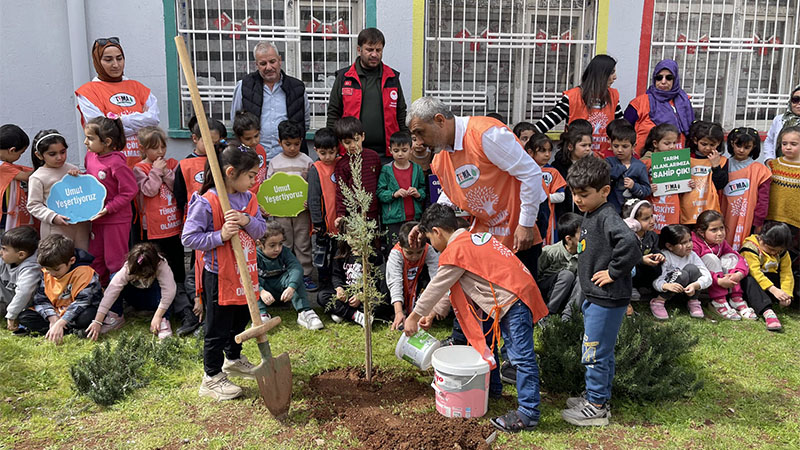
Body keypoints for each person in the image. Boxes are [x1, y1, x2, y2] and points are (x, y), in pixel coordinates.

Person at [403, 204, 548, 433]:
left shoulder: (456, 250)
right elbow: (452, 285)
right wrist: (432, 313)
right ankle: (493, 389)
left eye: (430, 239)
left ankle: (528, 413)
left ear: (437, 232)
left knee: (521, 357)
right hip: (513, 294)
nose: (431, 245)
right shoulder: (471, 239)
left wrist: (414, 316)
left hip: (513, 299)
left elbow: (437, 286)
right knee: (488, 345)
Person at [405, 97, 547, 275]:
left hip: (525, 216)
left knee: (521, 283)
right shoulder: (440, 158)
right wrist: (425, 224)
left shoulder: (485, 134)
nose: (419, 142)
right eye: (415, 136)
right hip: (490, 225)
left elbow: (531, 173)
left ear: (440, 120)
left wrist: (525, 224)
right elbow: (450, 193)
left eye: (420, 132)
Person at [181, 144, 266, 401]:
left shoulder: (249, 199)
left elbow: (261, 230)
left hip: (245, 272)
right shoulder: (207, 201)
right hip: (219, 276)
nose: (254, 181)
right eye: (250, 175)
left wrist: (247, 221)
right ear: (230, 172)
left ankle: (233, 358)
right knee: (217, 327)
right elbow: (189, 238)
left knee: (240, 319)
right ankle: (211, 377)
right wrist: (220, 235)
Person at [559, 156, 639, 427]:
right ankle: (597, 395)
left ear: (605, 191)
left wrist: (613, 272)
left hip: (607, 299)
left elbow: (630, 244)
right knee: (600, 349)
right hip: (596, 297)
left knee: (593, 351)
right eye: (574, 193)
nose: (577, 199)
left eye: (584, 194)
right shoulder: (592, 213)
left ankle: (596, 407)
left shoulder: (607, 217)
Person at [133, 127, 199, 337]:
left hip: (173, 228)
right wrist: (155, 171)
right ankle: (165, 313)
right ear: (143, 149)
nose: (160, 152)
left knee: (177, 270)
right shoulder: (139, 169)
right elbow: (149, 190)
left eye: (163, 146)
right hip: (153, 231)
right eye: (155, 148)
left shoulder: (172, 164)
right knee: (159, 271)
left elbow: (176, 187)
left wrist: (166, 172)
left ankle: (184, 308)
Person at [75, 37, 159, 169]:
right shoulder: (87, 92)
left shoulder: (139, 88)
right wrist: (140, 123)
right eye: (108, 60)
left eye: (119, 58)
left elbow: (154, 120)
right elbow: (102, 131)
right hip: (106, 167)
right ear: (97, 61)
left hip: (143, 166)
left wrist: (119, 120)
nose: (116, 65)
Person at [327, 28, 408, 158]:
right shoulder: (344, 77)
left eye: (378, 50)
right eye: (369, 50)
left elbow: (401, 113)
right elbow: (333, 113)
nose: (374, 54)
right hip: (351, 152)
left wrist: (405, 143)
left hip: (387, 153)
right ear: (359, 50)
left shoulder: (392, 77)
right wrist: (332, 145)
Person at [230, 41, 310, 159]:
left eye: (272, 61)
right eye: (263, 63)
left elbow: (305, 123)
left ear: (280, 60)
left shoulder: (297, 87)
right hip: (253, 158)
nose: (268, 67)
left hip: (289, 159)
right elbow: (236, 122)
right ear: (256, 64)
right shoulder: (244, 86)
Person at [16, 235, 102, 343]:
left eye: (56, 269)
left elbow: (83, 301)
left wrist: (62, 322)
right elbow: (41, 299)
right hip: (56, 311)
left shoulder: (84, 273)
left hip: (78, 311)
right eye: (47, 269)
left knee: (87, 316)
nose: (52, 273)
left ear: (72, 260)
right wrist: (52, 318)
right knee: (25, 317)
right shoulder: (47, 272)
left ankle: (62, 329)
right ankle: (67, 330)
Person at [83, 116, 138, 285]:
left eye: (90, 138)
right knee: (95, 258)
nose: (85, 142)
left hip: (116, 220)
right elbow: (90, 180)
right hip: (97, 218)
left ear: (106, 142)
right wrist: (77, 177)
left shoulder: (117, 163)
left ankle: (117, 299)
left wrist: (109, 208)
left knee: (115, 260)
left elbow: (130, 191)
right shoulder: (90, 156)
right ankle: (98, 293)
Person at [534, 55, 622, 158]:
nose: (615, 77)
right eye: (611, 72)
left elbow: (621, 129)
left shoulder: (613, 96)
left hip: (604, 160)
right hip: (573, 160)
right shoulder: (572, 97)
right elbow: (545, 124)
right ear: (601, 74)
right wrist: (523, 140)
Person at [86, 243, 176, 340]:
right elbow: (112, 291)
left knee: (165, 287)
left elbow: (169, 291)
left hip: (155, 300)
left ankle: (163, 320)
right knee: (114, 278)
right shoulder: (129, 266)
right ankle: (116, 317)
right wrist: (98, 321)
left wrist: (158, 316)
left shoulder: (161, 264)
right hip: (135, 298)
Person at [267, 120, 316, 291]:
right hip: (281, 212)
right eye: (288, 144)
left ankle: (305, 274)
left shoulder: (307, 161)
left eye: (296, 143)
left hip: (302, 211)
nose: (293, 148)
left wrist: (309, 202)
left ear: (301, 141)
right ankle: (285, 274)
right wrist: (269, 206)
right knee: (284, 242)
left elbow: (312, 186)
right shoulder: (274, 162)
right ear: (279, 142)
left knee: (303, 242)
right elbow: (269, 188)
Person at [26, 130, 90, 250]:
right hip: (56, 229)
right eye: (52, 154)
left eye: (63, 152)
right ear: (39, 155)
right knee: (59, 258)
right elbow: (33, 205)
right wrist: (53, 217)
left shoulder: (72, 169)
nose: (59, 157)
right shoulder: (37, 177)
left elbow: (85, 194)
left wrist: (79, 179)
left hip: (80, 227)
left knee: (83, 256)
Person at [256, 220, 323, 330]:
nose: (277, 249)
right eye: (272, 245)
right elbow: (248, 278)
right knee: (253, 283)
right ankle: (261, 315)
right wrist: (261, 291)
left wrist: (291, 287)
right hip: (264, 293)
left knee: (296, 277)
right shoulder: (254, 255)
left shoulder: (285, 252)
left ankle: (304, 312)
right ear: (259, 243)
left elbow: (296, 268)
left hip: (283, 293)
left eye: (280, 244)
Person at [316, 220, 384, 328]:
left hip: (365, 294)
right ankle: (354, 315)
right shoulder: (341, 253)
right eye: (351, 237)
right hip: (346, 294)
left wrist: (362, 295)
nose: (354, 241)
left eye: (358, 237)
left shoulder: (374, 255)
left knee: (379, 303)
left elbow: (376, 280)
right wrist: (339, 288)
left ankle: (341, 312)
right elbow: (336, 274)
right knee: (322, 296)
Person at [624, 59, 695, 155]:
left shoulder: (684, 101)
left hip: (677, 158)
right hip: (646, 158)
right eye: (659, 77)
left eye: (669, 78)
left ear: (675, 80)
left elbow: (691, 130)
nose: (663, 81)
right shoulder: (639, 103)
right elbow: (624, 131)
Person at [692, 210, 752, 320]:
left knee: (731, 257)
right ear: (701, 232)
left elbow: (740, 258)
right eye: (714, 230)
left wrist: (738, 274)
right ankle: (718, 301)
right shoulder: (694, 244)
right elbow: (696, 268)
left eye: (722, 228)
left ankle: (735, 298)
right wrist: (718, 281)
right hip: (703, 281)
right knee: (711, 258)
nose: (720, 233)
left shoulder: (720, 242)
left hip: (722, 280)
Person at [721, 127, 771, 250]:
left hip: (747, 219)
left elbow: (763, 200)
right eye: (738, 145)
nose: (741, 150)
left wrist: (758, 222)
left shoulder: (761, 171)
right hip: (723, 213)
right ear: (731, 143)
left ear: (754, 147)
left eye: (747, 147)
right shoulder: (722, 164)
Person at [739, 222, 794, 332]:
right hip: (754, 287)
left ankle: (775, 301)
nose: (774, 253)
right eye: (770, 249)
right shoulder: (750, 248)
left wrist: (786, 293)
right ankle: (767, 312)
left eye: (777, 251)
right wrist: (773, 290)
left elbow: (786, 273)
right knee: (749, 279)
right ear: (761, 239)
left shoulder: (782, 253)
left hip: (770, 285)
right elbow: (755, 273)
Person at [650, 224, 712, 320]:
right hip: (667, 290)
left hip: (686, 291)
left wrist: (695, 285)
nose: (689, 245)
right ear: (669, 246)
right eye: (683, 242)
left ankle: (693, 301)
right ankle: (659, 301)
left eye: (690, 240)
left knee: (692, 269)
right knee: (682, 274)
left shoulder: (692, 255)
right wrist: (666, 286)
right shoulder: (665, 256)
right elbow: (656, 280)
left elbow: (707, 276)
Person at [386, 221, 440, 330]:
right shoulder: (396, 253)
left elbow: (437, 277)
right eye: (409, 253)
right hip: (400, 291)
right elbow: (395, 282)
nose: (414, 257)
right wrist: (398, 312)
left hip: (418, 287)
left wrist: (435, 307)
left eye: (419, 252)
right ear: (401, 246)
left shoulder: (428, 250)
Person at [377, 131, 426, 244]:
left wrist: (418, 193)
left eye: (404, 150)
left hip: (414, 218)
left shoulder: (417, 169)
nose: (400, 154)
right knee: (394, 248)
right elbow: (380, 193)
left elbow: (423, 190)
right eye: (396, 151)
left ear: (411, 150)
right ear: (390, 150)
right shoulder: (386, 170)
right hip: (393, 219)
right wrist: (394, 194)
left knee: (414, 245)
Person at [334, 117, 382, 225]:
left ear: (363, 136)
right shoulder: (342, 165)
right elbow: (341, 191)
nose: (353, 145)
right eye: (347, 142)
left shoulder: (373, 157)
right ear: (341, 143)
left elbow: (379, 182)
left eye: (356, 140)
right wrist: (340, 215)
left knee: (374, 234)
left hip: (373, 210)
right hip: (353, 212)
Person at [537, 212, 583, 322]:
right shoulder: (550, 252)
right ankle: (547, 313)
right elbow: (535, 275)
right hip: (547, 292)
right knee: (567, 275)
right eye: (581, 234)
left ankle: (569, 316)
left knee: (583, 277)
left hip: (566, 293)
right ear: (569, 239)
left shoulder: (584, 254)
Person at [679, 121, 727, 224]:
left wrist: (716, 166)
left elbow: (720, 185)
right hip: (687, 209)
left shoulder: (722, 160)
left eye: (712, 145)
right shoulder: (684, 158)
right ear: (695, 140)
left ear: (718, 143)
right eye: (704, 144)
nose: (708, 148)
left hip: (710, 210)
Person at [621, 199, 664, 312]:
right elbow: (624, 258)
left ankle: (646, 287)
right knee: (630, 269)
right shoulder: (626, 237)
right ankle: (629, 289)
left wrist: (659, 255)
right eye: (646, 219)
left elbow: (655, 249)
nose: (652, 221)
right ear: (632, 222)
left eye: (651, 216)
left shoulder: (652, 235)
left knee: (657, 268)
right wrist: (640, 260)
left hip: (644, 269)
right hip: (632, 269)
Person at [526, 134, 565, 246]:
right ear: (530, 152)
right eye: (542, 151)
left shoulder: (553, 172)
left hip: (548, 217)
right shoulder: (524, 171)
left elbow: (561, 196)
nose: (547, 154)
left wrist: (543, 198)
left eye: (549, 151)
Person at [605, 119, 651, 212]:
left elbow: (647, 190)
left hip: (633, 212)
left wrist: (634, 186)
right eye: (616, 146)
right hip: (612, 210)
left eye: (625, 146)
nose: (620, 150)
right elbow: (605, 177)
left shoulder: (639, 166)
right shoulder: (609, 162)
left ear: (633, 146)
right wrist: (623, 168)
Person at [0, 227, 41, 331]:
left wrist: (11, 315)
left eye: (5, 249)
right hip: (5, 302)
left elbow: (24, 292)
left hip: (25, 308)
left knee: (26, 318)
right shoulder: (6, 259)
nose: (1, 252)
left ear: (21, 255)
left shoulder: (31, 269)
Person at [551, 120, 593, 220]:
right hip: (563, 216)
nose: (588, 149)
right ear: (570, 146)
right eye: (583, 145)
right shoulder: (558, 166)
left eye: (589, 145)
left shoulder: (592, 165)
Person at [643, 123, 681, 231]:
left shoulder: (678, 160)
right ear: (655, 143)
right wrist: (648, 188)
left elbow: (682, 184)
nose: (672, 146)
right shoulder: (646, 161)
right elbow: (638, 185)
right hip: (653, 206)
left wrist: (688, 184)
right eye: (667, 143)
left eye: (674, 143)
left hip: (671, 209)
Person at [0, 124, 35, 231]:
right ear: (12, 150)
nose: (19, 157)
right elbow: (26, 176)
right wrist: (44, 167)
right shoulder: (2, 166)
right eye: (20, 153)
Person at [766, 126, 800, 232]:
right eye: (784, 144)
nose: (788, 147)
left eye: (793, 144)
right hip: (772, 219)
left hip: (796, 222)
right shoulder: (772, 165)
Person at [232, 110, 269, 195]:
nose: (254, 141)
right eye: (248, 139)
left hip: (261, 196)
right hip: (244, 197)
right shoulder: (237, 155)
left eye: (256, 136)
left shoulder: (261, 149)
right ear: (239, 137)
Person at [763, 85, 800, 161]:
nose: (799, 103)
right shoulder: (780, 119)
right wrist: (769, 159)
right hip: (779, 164)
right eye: (795, 100)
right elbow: (770, 140)